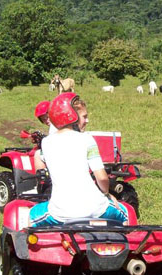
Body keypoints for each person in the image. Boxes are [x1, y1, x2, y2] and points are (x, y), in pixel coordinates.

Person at [29, 93, 128, 226]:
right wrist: (107, 194)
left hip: (60, 213)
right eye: (84, 117)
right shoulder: (87, 139)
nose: (87, 121)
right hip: (96, 209)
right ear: (72, 116)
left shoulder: (46, 143)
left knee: (32, 215)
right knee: (127, 213)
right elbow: (103, 178)